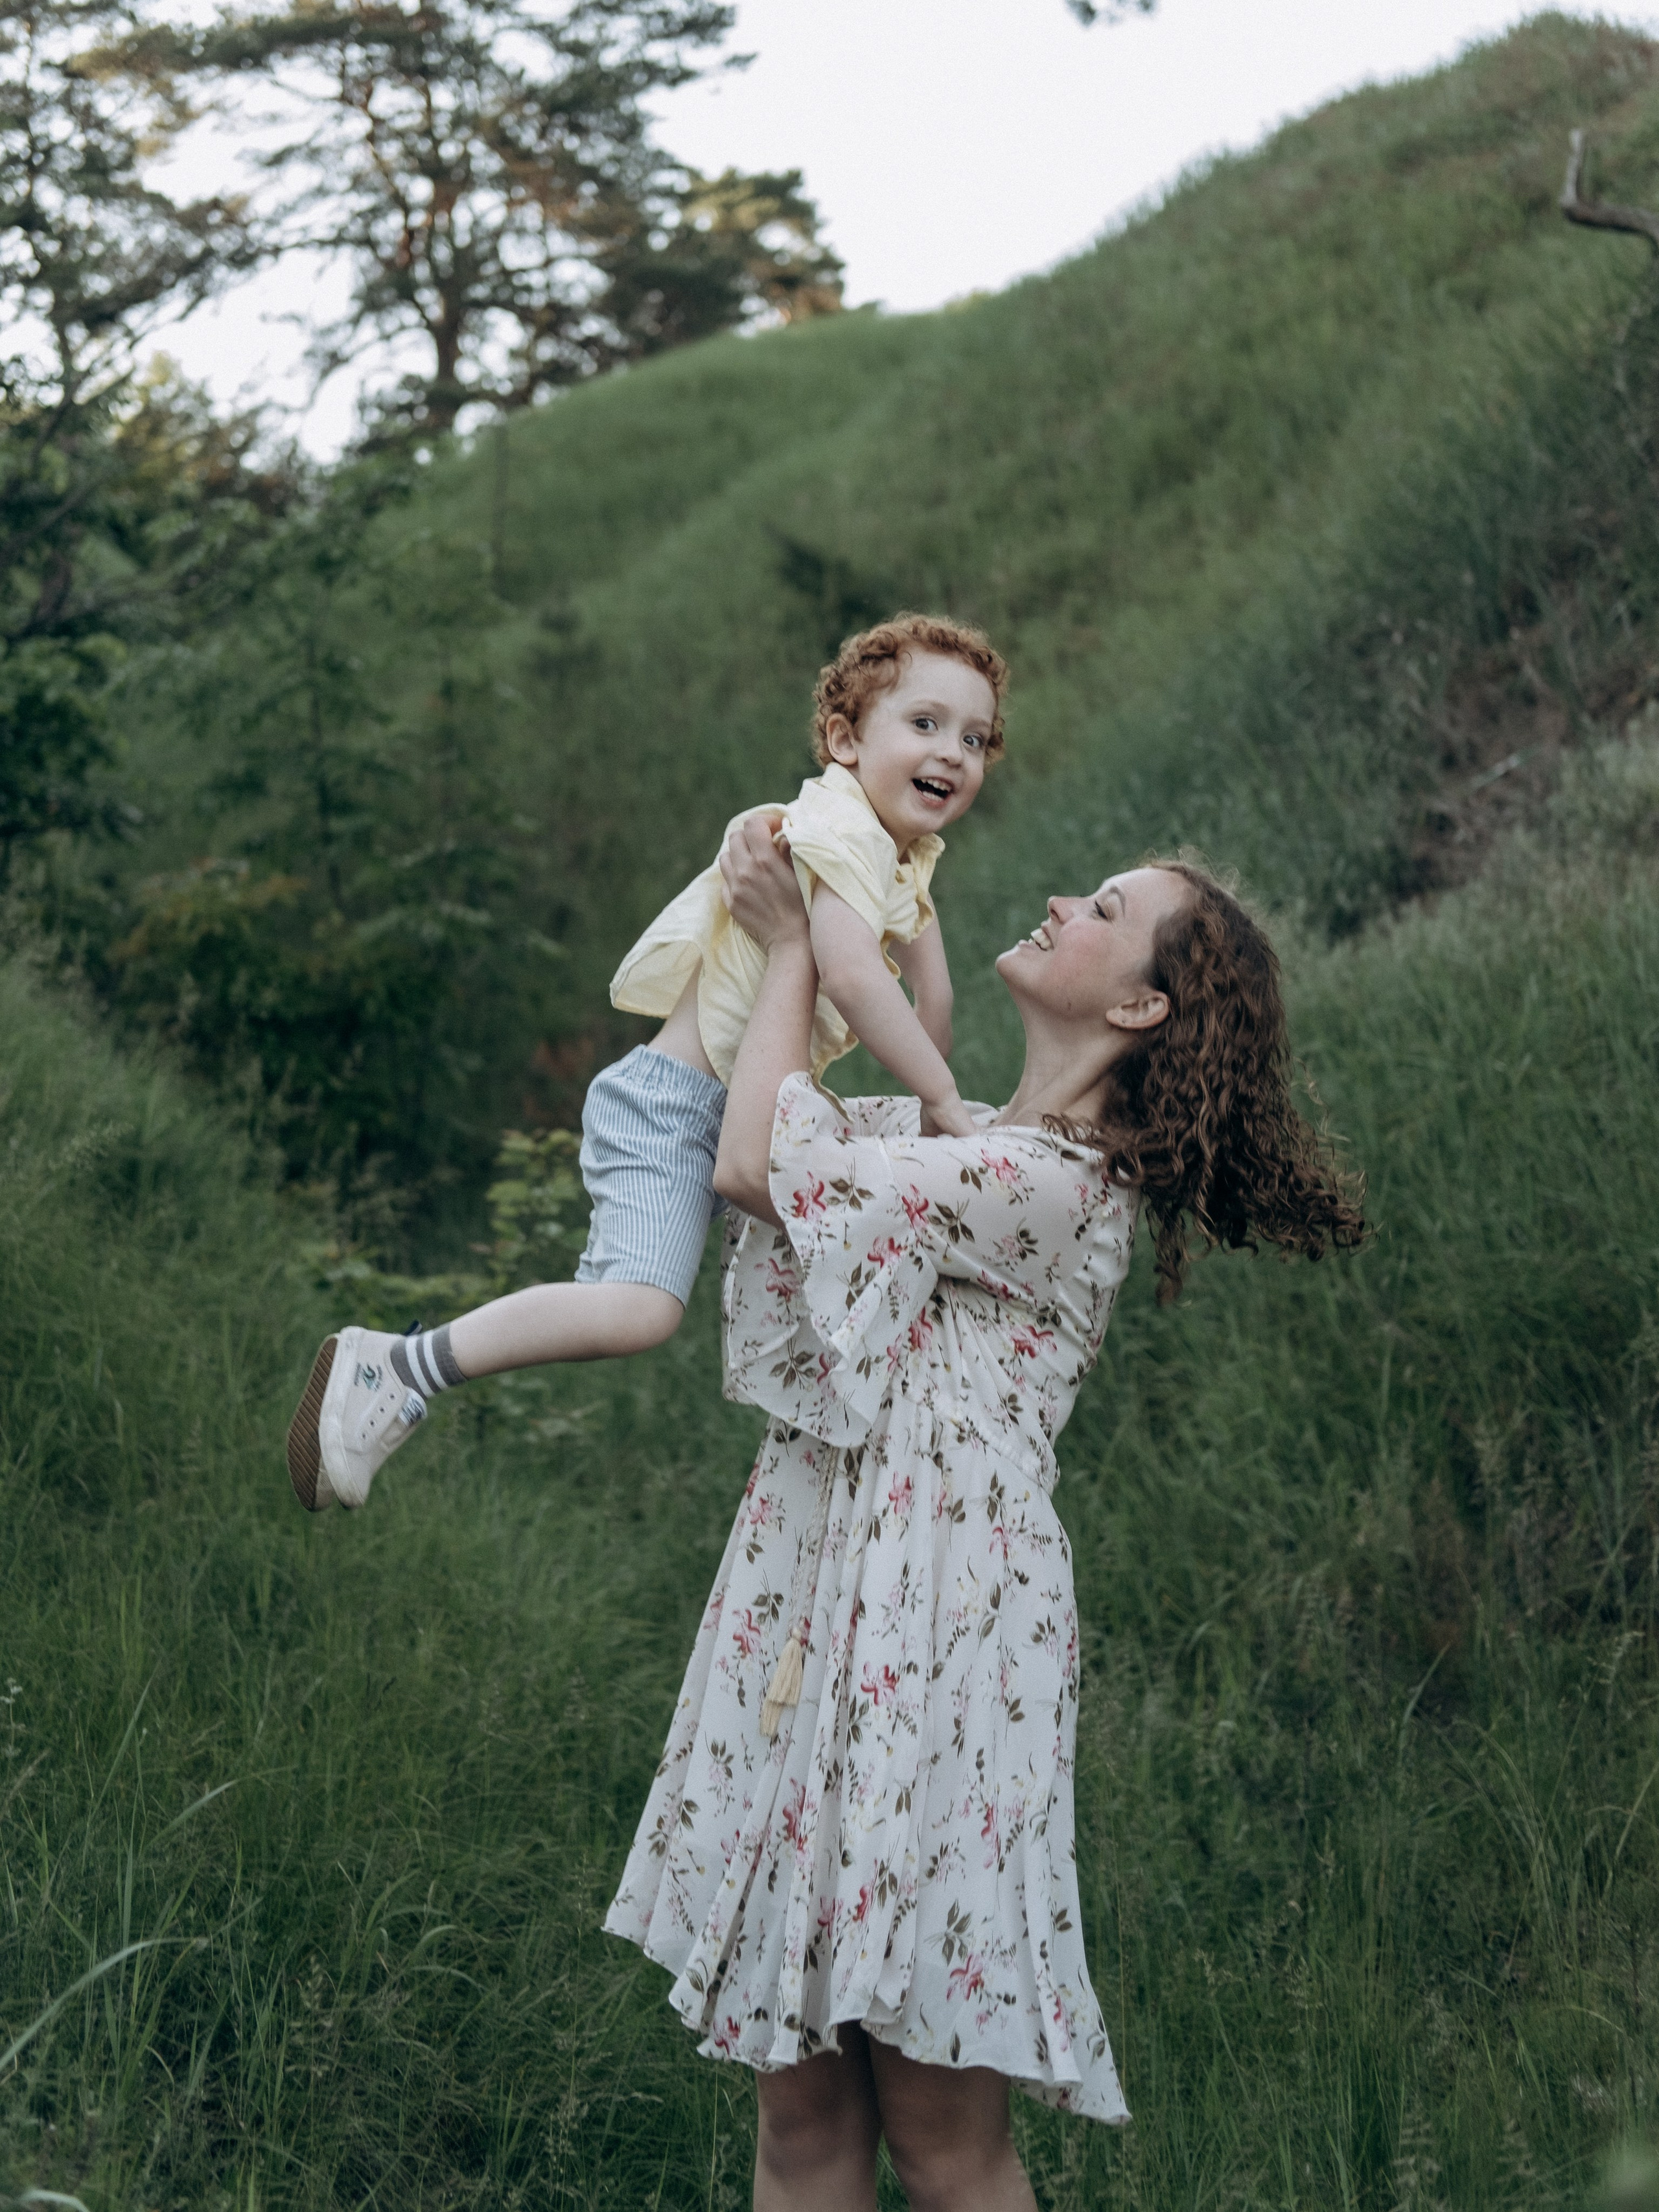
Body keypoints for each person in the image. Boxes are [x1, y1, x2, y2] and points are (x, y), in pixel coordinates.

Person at [605, 818, 1365, 2212]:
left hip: (944, 1639)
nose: (1067, 898)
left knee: (945, 2141)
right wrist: (837, 897)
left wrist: (791, 942)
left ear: (1137, 1003)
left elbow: (757, 1167)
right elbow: (772, 1117)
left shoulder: (1059, 1184)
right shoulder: (949, 1137)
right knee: (800, 2118)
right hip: (817, 1599)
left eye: (1108, 907)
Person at [285, 614, 1008, 1514]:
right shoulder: (840, 830)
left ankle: (874, 1483)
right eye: (927, 724)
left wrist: (933, 1047)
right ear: (844, 739)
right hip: (678, 1106)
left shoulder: (892, 855)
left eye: (976, 739)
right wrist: (940, 1097)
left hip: (735, 1106)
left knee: (848, 1239)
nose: (956, 752)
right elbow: (859, 979)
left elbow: (923, 1007)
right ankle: (394, 1368)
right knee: (637, 1308)